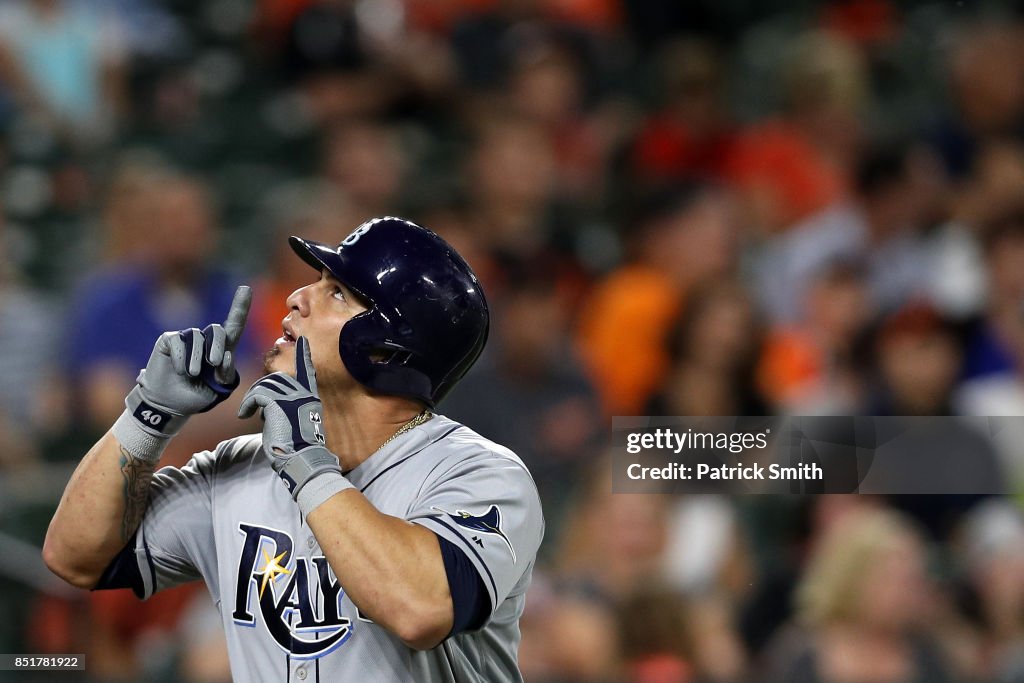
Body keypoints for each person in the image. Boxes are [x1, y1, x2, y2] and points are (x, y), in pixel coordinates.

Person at [44, 217, 545, 682]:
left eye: (338, 294)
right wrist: (146, 417)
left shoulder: (481, 475)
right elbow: (76, 558)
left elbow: (421, 609)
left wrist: (309, 467)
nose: (298, 297)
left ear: (387, 350)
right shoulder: (240, 465)